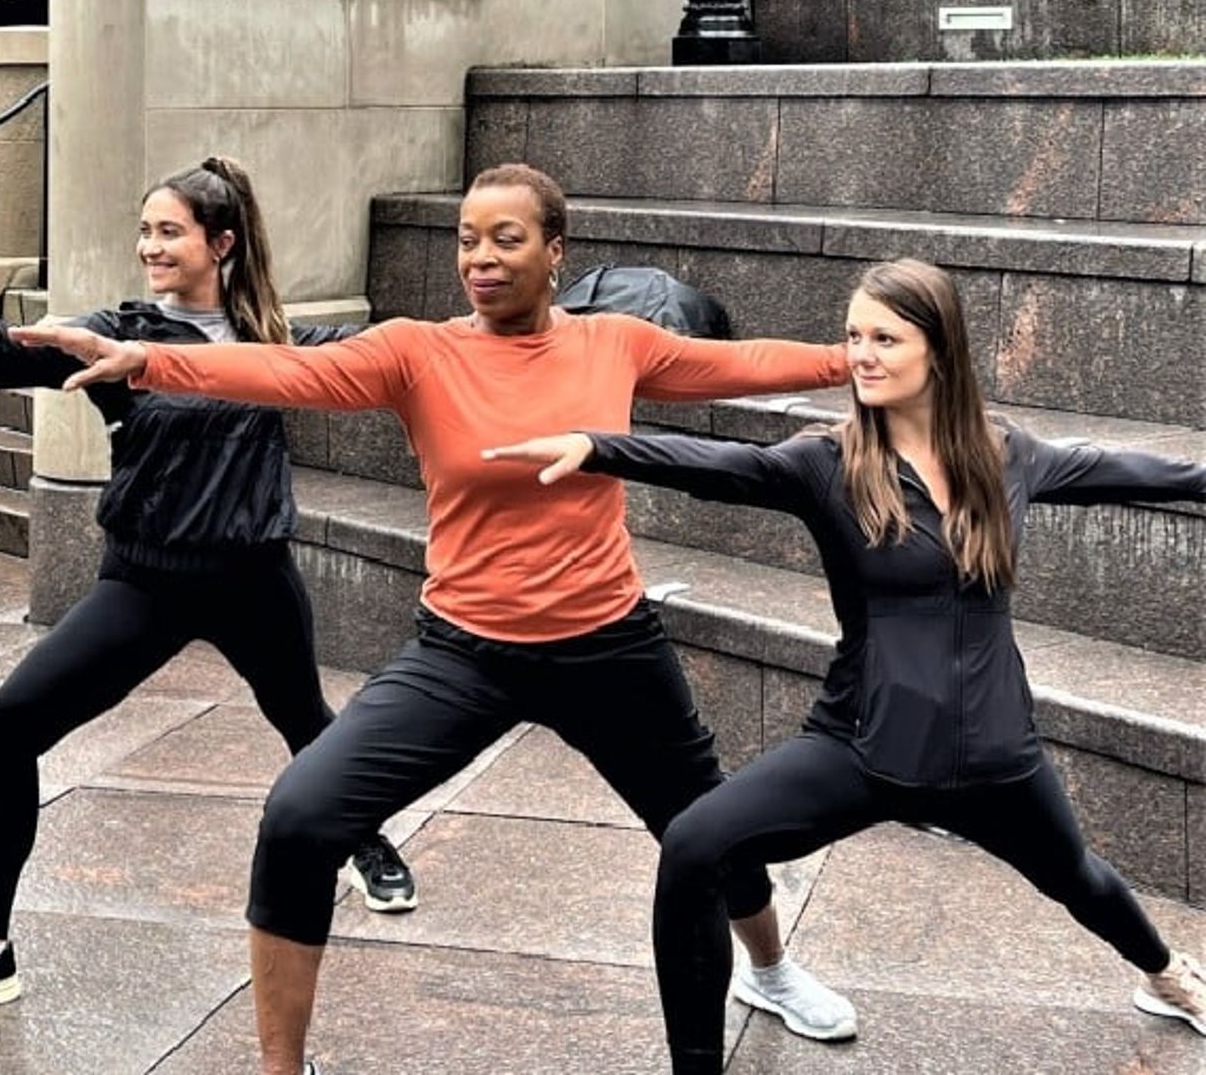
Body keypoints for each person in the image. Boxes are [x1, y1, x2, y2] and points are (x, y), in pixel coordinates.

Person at [11, 162, 861, 1075]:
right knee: (299, 818)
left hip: (608, 644)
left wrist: (865, 361)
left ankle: (766, 972)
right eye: (467, 240)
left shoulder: (616, 343)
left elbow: (744, 365)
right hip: (464, 653)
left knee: (705, 834)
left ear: (555, 251)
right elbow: (289, 369)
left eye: (507, 239)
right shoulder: (419, 350)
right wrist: (152, 358)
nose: (482, 259)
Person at [486, 257, 1206, 1073]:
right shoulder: (826, 463)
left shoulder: (1008, 456)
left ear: (937, 349)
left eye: (885, 338)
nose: (861, 354)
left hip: (993, 753)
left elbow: (1142, 471)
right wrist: (594, 446)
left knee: (1079, 878)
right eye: (854, 335)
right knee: (694, 844)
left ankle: (1168, 976)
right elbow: (716, 467)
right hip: (862, 745)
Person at [0, 155, 416, 1025]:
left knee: (308, 724)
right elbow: (9, 353)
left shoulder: (278, 345)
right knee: (9, 727)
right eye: (145, 229)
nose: (150, 246)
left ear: (221, 244)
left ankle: (364, 833)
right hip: (146, 580)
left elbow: (393, 360)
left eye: (170, 232)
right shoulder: (120, 335)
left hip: (252, 576)